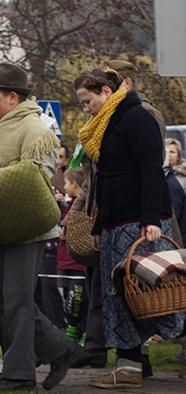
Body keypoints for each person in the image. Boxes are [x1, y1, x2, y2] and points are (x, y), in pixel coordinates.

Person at [74, 68, 185, 389]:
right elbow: (104, 179)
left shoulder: (136, 118)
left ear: (107, 92)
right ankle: (129, 366)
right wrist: (98, 224)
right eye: (81, 103)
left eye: (87, 101)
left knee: (158, 292)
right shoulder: (104, 124)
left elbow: (151, 169)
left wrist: (150, 218)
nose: (85, 109)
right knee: (121, 295)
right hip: (114, 221)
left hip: (140, 222)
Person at [0, 63, 80, 392]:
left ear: (12, 96)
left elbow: (34, 178)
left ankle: (19, 375)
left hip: (24, 227)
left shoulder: (36, 131)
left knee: (17, 300)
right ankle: (61, 349)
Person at [57, 170, 88, 344]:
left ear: (75, 184)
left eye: (66, 183)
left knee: (76, 300)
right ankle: (73, 330)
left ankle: (82, 332)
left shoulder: (80, 207)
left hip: (77, 263)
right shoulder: (66, 206)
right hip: (65, 261)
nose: (64, 187)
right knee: (69, 298)